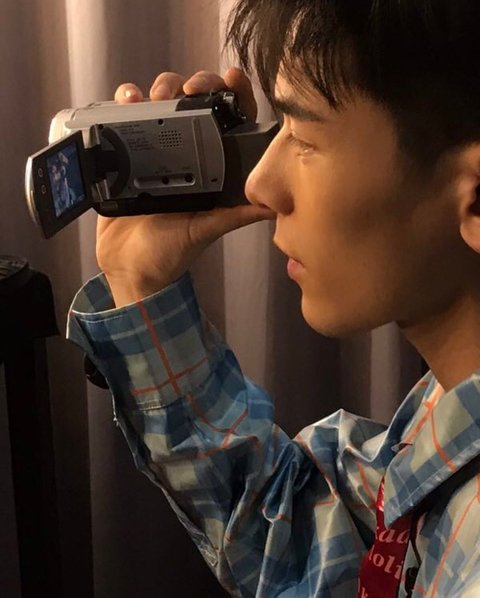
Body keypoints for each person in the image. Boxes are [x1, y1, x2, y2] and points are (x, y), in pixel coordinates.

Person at [66, 1, 480, 596]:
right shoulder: (448, 403)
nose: (259, 182)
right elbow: (308, 547)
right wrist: (141, 282)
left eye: (304, 137)